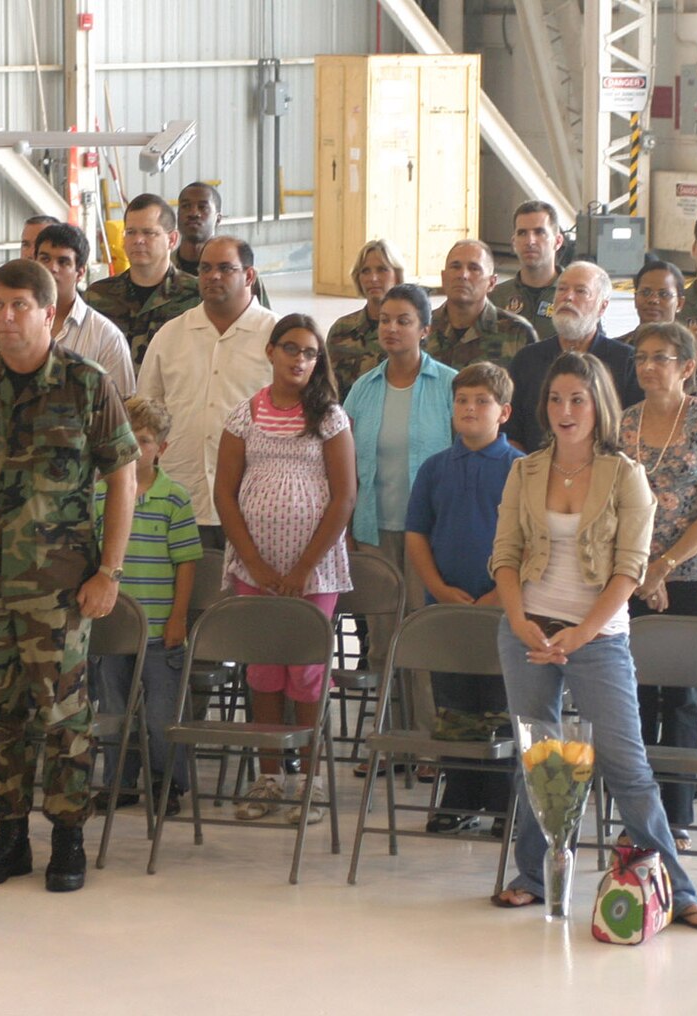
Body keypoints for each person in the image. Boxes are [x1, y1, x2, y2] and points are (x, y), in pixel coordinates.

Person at [487, 351, 697, 932]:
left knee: (626, 765)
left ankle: (679, 891)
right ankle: (531, 876)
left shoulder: (626, 474)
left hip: (597, 634)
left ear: (599, 407)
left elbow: (631, 567)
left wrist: (582, 632)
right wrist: (521, 623)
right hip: (528, 628)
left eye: (578, 399)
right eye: (555, 399)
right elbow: (506, 555)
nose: (565, 411)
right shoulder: (525, 470)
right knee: (536, 757)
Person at [0, 259, 138, 893]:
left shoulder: (85, 382)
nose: (6, 317)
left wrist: (109, 570)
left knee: (62, 714)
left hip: (60, 585)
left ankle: (68, 838)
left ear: (49, 314)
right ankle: (10, 835)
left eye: (20, 305)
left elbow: (122, 476)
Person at [213, 315, 356, 826]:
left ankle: (310, 784)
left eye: (310, 353)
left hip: (313, 574)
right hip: (255, 571)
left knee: (307, 673)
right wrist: (253, 561)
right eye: (290, 349)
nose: (300, 360)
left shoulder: (330, 418)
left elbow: (343, 498)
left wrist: (302, 568)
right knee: (265, 672)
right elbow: (224, 495)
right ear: (271, 352)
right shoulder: (244, 416)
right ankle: (269, 776)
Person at [620, 322, 697, 840]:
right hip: (632, 575)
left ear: (687, 367)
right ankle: (639, 815)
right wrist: (641, 572)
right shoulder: (625, 424)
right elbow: (615, 507)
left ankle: (679, 814)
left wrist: (663, 567)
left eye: (660, 358)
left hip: (692, 574)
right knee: (636, 695)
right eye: (641, 357)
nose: (647, 367)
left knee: (682, 696)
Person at [404, 363, 525, 832]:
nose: (470, 409)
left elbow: (535, 541)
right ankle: (459, 797)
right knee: (455, 708)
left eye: (482, 401)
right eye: (462, 401)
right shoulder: (435, 468)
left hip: (504, 608)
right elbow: (417, 533)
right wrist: (436, 587)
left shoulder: (522, 468)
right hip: (450, 609)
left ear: (504, 412)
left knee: (500, 704)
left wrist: (502, 592)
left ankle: (503, 801)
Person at [344, 284, 457, 732]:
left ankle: (428, 736)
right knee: (382, 639)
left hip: (428, 534)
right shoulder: (363, 389)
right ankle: (389, 736)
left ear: (425, 329)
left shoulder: (449, 385)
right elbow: (346, 462)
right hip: (374, 530)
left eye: (403, 320)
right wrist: (348, 528)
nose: (391, 328)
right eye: (385, 320)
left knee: (425, 636)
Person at [89, 395, 201, 815]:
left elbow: (186, 563)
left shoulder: (173, 498)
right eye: (129, 439)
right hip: (113, 630)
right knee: (114, 710)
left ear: (162, 448)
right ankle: (119, 780)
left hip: (159, 631)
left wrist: (178, 618)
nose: (137, 448)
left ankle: (167, 782)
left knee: (160, 715)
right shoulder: (100, 494)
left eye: (147, 439)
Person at [136, 235, 277, 546]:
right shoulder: (170, 335)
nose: (213, 276)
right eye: (205, 268)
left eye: (226, 268)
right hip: (180, 498)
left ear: (249, 275)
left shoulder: (276, 338)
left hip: (253, 502)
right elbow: (145, 416)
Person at [504, 262, 642, 453]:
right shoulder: (527, 360)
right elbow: (510, 433)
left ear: (602, 307)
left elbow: (634, 433)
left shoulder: (625, 361)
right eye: (562, 289)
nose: (567, 297)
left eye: (580, 291)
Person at [82, 193, 201, 365]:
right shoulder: (97, 296)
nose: (138, 240)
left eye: (148, 233)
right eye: (130, 232)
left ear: (172, 239)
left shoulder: (197, 296)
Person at [34, 222, 135, 393]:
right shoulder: (13, 324)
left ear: (80, 273)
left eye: (63, 262)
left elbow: (122, 408)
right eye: (45, 259)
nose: (52, 268)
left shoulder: (106, 337)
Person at [426, 238, 536, 371]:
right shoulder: (422, 328)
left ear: (492, 282)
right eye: (455, 267)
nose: (463, 275)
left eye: (474, 268)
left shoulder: (517, 332)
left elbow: (532, 389)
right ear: (443, 277)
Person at [325, 238, 406, 396]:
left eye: (382, 269)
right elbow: (327, 388)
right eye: (365, 271)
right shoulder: (341, 329)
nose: (372, 278)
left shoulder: (411, 330)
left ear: (397, 275)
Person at [172, 182, 270, 307]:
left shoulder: (242, 275)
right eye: (186, 206)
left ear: (218, 219)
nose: (193, 213)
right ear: (178, 215)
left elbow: (263, 321)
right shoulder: (162, 272)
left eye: (203, 207)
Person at [490, 201, 565, 341]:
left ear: (558, 241)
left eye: (539, 232)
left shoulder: (576, 295)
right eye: (522, 233)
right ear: (514, 243)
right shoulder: (495, 298)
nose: (530, 241)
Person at [618, 260, 684, 344]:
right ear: (635, 299)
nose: (653, 300)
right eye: (645, 293)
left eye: (664, 294)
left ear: (679, 303)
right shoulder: (615, 351)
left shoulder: (690, 350)